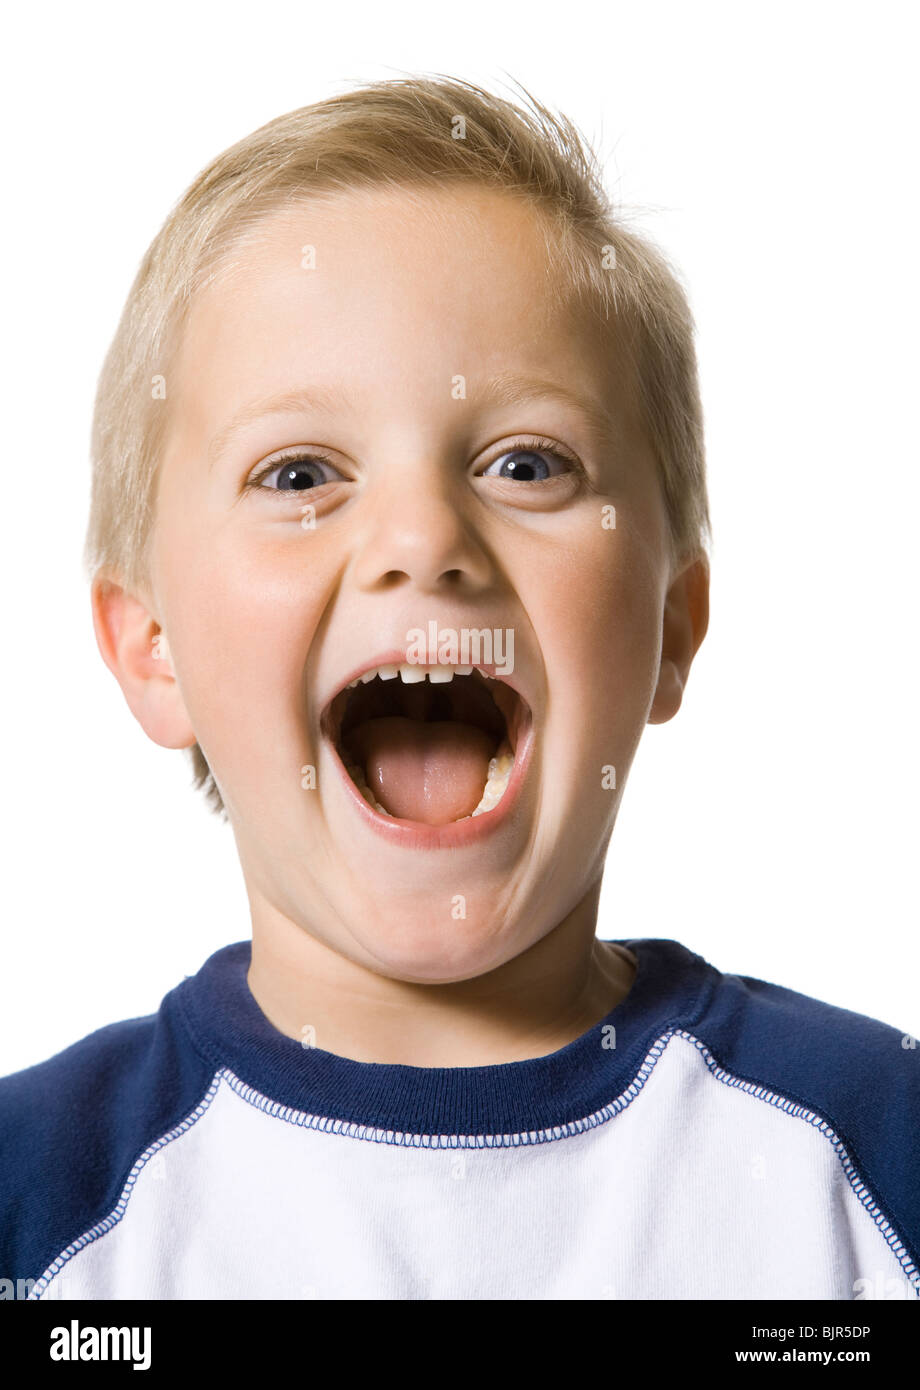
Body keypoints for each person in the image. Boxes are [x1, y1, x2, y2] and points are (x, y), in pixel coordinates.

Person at [1, 74, 916, 1301]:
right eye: (298, 472)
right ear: (153, 647)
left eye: (525, 462)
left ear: (668, 630)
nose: (422, 536)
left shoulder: (872, 1166)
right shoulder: (36, 1206)